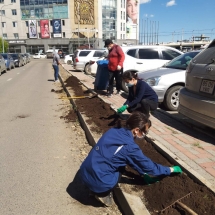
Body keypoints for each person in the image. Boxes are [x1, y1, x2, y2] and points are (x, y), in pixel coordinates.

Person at [79, 112, 182, 207]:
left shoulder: (114, 130)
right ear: (137, 130)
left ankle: (93, 187)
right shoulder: (129, 146)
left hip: (84, 172)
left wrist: (141, 171)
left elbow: (130, 159)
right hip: (99, 181)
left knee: (118, 159)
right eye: (144, 132)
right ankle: (102, 194)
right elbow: (150, 167)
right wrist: (170, 170)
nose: (144, 135)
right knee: (120, 169)